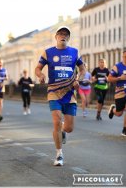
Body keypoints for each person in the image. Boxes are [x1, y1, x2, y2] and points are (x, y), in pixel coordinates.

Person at [35, 26, 85, 166]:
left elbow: (82, 68)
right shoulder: (48, 52)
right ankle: (59, 154)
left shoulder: (74, 52)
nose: (63, 36)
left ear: (69, 38)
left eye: (66, 34)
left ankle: (64, 130)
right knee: (56, 121)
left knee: (69, 128)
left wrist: (78, 79)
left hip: (69, 94)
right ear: (56, 36)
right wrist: (41, 75)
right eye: (60, 34)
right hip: (54, 92)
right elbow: (38, 68)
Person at [108, 51, 126, 136]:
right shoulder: (117, 66)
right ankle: (113, 109)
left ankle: (125, 129)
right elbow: (109, 78)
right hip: (120, 92)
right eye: (125, 57)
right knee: (119, 113)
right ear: (122, 56)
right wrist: (120, 78)